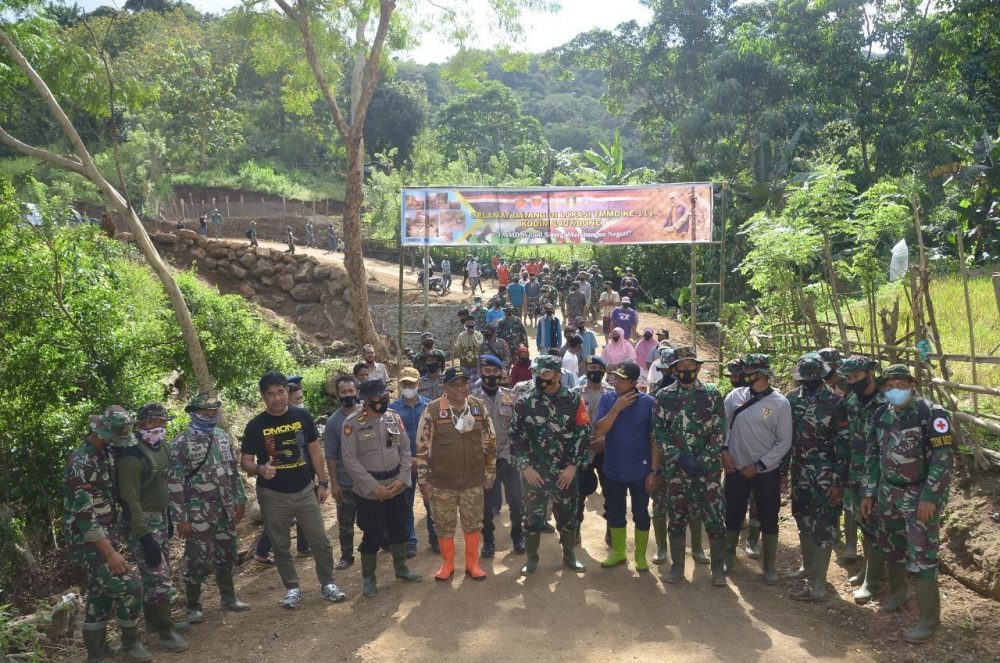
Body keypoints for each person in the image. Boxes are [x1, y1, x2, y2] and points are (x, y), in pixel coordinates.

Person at [860, 364, 953, 643]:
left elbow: (942, 460)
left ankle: (929, 620)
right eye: (887, 387)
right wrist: (868, 493)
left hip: (918, 496)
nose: (893, 391)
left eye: (899, 384)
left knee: (923, 555)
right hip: (888, 493)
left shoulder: (931, 414)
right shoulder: (881, 415)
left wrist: (929, 498)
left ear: (912, 384)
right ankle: (898, 594)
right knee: (892, 546)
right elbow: (873, 455)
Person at [239, 373, 345, 608]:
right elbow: (245, 461)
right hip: (273, 494)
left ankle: (327, 583)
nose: (277, 398)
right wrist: (259, 469)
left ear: (287, 392)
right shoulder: (256, 426)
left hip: (305, 489)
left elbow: (316, 451)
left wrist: (323, 483)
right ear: (263, 397)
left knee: (320, 540)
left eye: (281, 392)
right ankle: (293, 588)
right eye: (271, 394)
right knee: (280, 545)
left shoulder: (302, 415)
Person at [66, 407, 151, 662]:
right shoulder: (80, 463)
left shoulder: (101, 453)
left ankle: (97, 652)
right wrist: (110, 553)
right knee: (130, 586)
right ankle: (131, 644)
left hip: (104, 536)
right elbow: (85, 517)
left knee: (99, 593)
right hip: (88, 542)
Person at [650, 348, 727, 585]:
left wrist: (702, 459)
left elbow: (719, 431)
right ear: (673, 370)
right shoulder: (663, 397)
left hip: (708, 471)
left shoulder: (713, 395)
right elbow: (658, 432)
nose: (686, 372)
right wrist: (679, 457)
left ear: (698, 367)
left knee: (714, 518)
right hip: (677, 471)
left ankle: (718, 571)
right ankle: (677, 569)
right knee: (677, 518)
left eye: (690, 367)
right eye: (681, 368)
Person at [510, 355, 591, 574]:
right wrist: (525, 467)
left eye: (545, 373)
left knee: (567, 515)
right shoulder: (525, 401)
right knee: (533, 517)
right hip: (535, 473)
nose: (539, 377)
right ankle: (532, 559)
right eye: (537, 373)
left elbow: (583, 434)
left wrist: (573, 466)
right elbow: (515, 436)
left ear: (557, 375)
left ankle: (569, 555)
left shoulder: (573, 400)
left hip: (565, 472)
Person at [341, 379, 422, 597]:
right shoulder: (352, 424)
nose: (383, 400)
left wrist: (403, 478)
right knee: (372, 534)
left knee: (399, 528)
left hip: (396, 485)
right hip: (369, 492)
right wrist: (373, 487)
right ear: (366, 401)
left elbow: (405, 450)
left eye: (385, 395)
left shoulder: (393, 418)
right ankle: (369, 579)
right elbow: (350, 461)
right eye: (378, 397)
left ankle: (401, 568)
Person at [117, 403, 187, 652]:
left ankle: (155, 622)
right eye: (152, 423)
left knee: (155, 574)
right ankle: (166, 632)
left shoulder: (163, 447)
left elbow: (164, 484)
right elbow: (130, 500)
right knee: (159, 577)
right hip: (143, 523)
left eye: (162, 423)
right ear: (141, 426)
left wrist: (168, 518)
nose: (158, 428)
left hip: (160, 518)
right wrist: (144, 536)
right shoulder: (131, 456)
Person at [416, 368, 498, 581]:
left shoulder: (478, 407)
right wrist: (424, 481)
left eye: (464, 384)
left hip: (473, 481)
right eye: (454, 385)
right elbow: (423, 448)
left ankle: (472, 563)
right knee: (444, 525)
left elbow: (490, 441)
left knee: (473, 523)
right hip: (443, 482)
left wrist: (490, 472)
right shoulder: (433, 410)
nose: (461, 389)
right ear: (445, 387)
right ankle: (447, 564)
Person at [721, 354, 792, 584]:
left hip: (765, 472)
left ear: (761, 373)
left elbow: (784, 442)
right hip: (735, 468)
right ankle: (728, 556)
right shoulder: (734, 396)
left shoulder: (779, 404)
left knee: (769, 516)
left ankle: (769, 566)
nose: (742, 374)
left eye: (748, 370)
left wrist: (760, 465)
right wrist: (724, 452)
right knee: (732, 513)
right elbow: (723, 427)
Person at [784, 353, 849, 602]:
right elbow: (786, 437)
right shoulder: (791, 400)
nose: (808, 383)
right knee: (802, 519)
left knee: (824, 526)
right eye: (804, 379)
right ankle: (808, 567)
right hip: (800, 472)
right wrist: (783, 471)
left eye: (812, 378)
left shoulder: (836, 402)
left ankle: (819, 584)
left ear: (821, 376)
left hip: (827, 476)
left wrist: (838, 481)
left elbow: (844, 446)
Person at [590, 361, 656, 572]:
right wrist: (616, 409)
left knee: (641, 513)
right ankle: (618, 552)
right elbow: (599, 430)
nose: (616, 382)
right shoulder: (608, 399)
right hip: (613, 468)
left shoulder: (649, 403)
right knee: (616, 512)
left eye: (622, 379)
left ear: (635, 382)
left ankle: (640, 555)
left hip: (640, 470)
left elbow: (655, 440)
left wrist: (654, 471)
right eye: (615, 378)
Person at [838, 355, 888, 604]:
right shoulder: (853, 399)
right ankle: (869, 569)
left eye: (856, 377)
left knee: (876, 526)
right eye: (848, 378)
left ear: (870, 374)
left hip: (879, 474)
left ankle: (875, 581)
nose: (852, 382)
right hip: (856, 471)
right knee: (863, 522)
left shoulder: (885, 401)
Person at [474, 355, 525, 557]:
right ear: (481, 373)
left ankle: (517, 536)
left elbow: (517, 429)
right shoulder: (472, 400)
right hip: (484, 461)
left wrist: (509, 455)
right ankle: (488, 540)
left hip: (508, 458)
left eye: (496, 372)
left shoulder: (510, 397)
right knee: (486, 506)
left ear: (502, 373)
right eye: (487, 372)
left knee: (516, 501)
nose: (492, 376)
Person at [389, 368, 430, 558]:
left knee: (431, 501)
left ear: (418, 384)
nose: (409, 388)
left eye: (412, 384)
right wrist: (407, 460)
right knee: (406, 504)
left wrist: (423, 459)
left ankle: (436, 538)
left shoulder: (430, 407)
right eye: (405, 384)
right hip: (403, 465)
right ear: (401, 385)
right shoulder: (392, 411)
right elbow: (391, 442)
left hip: (428, 463)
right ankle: (410, 541)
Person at [324, 375, 362, 570]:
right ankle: (347, 555)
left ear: (357, 391)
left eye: (351, 391)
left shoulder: (367, 413)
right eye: (343, 392)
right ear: (338, 395)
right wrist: (334, 483)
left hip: (368, 480)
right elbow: (330, 456)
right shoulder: (333, 422)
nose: (348, 395)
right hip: (346, 482)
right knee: (346, 523)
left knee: (372, 517)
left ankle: (381, 544)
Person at [454, 317, 484, 383]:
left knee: (475, 382)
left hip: (476, 363)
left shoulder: (479, 335)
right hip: (464, 363)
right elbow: (458, 348)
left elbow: (479, 346)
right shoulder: (461, 335)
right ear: (465, 325)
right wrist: (455, 347)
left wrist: (472, 335)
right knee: (465, 381)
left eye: (472, 323)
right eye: (468, 323)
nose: (470, 325)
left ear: (474, 324)